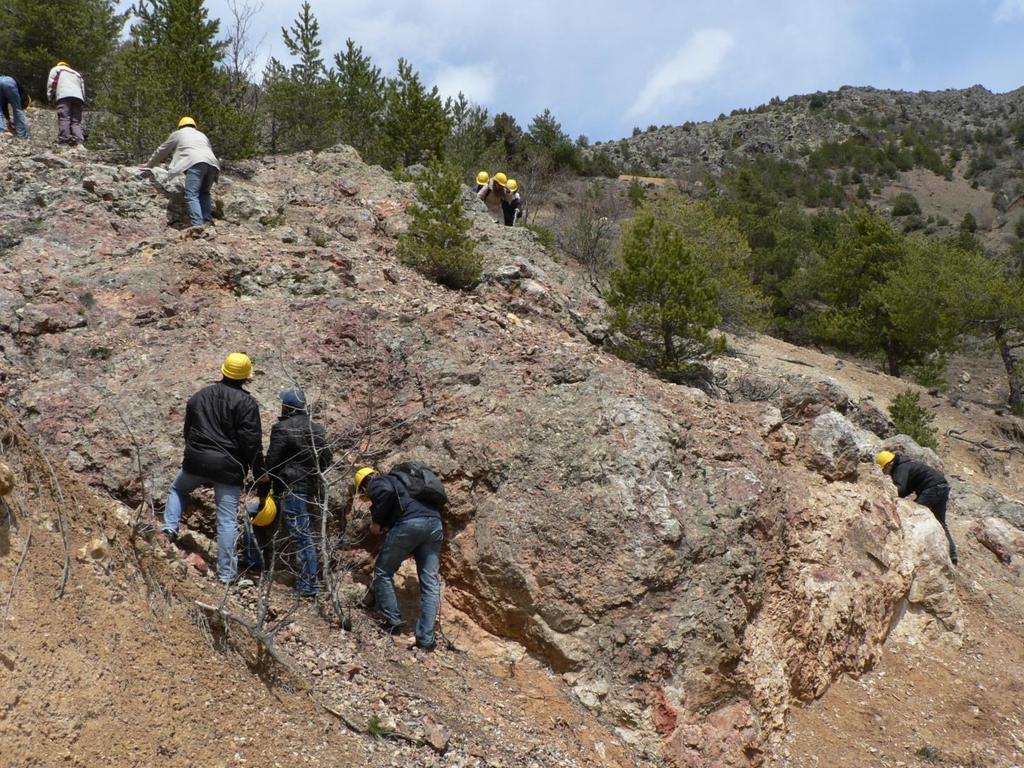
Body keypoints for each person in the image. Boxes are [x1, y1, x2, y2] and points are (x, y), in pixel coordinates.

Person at [161, 353, 266, 585]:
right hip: (228, 468)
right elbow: (251, 443)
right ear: (246, 377)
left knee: (178, 490)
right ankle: (227, 575)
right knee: (226, 520)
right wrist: (260, 472)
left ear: (223, 371)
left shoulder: (201, 396)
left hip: (197, 460)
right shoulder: (247, 404)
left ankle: (169, 529)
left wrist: (194, 451)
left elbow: (188, 430)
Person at [243, 388, 332, 597]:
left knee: (301, 535)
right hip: (308, 488)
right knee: (303, 533)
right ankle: (304, 581)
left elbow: (271, 463)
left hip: (290, 487)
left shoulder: (282, 428)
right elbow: (327, 458)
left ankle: (308, 585)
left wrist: (263, 491)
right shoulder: (317, 430)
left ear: (287, 407)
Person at [355, 466, 443, 650]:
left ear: (363, 486)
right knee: (430, 583)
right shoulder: (406, 484)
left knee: (383, 571)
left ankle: (392, 622)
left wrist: (377, 523)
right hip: (435, 524)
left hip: (411, 524)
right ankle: (426, 640)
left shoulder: (377, 482)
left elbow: (385, 493)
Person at [876, 450, 958, 565]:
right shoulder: (906, 465)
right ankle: (952, 554)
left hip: (932, 488)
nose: (885, 473)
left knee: (916, 515)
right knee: (940, 521)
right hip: (942, 487)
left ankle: (913, 548)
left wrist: (888, 492)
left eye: (884, 469)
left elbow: (900, 489)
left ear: (889, 464)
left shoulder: (901, 468)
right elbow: (907, 488)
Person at [143, 116, 221, 228]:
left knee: (191, 195)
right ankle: (207, 220)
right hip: (213, 164)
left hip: (196, 162)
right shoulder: (202, 135)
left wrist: (149, 165)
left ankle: (197, 225)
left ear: (180, 126)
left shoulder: (178, 134)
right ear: (194, 126)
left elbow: (162, 150)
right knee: (204, 193)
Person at [46, 61, 86, 146]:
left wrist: (50, 97)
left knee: (64, 117)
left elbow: (52, 83)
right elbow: (82, 89)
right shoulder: (77, 74)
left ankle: (64, 140)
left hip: (64, 95)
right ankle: (79, 141)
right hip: (78, 97)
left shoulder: (57, 69)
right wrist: (82, 100)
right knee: (76, 121)